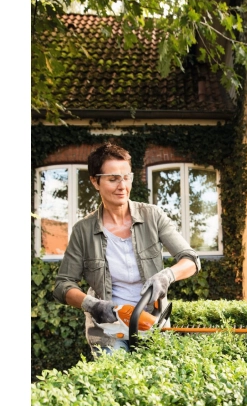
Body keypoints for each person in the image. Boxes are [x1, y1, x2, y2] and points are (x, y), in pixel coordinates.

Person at [53, 142, 200, 354]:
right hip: (107, 328)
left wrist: (167, 275)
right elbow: (63, 285)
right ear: (95, 181)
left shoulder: (153, 216)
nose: (122, 186)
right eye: (113, 179)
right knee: (116, 371)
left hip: (151, 322)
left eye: (126, 177)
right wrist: (93, 305)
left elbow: (191, 259)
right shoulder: (83, 230)